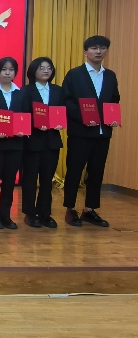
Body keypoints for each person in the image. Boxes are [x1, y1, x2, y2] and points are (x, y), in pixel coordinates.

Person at [62, 35, 120, 228]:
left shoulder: (110, 76)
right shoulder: (74, 74)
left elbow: (114, 100)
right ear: (85, 52)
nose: (98, 51)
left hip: (103, 133)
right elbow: (67, 101)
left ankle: (89, 209)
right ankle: (70, 209)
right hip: (80, 132)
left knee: (97, 171)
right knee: (74, 171)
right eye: (94, 48)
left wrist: (113, 116)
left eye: (102, 48)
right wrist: (84, 117)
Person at [0, 56, 27, 230]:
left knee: (9, 182)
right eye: (4, 69)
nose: (7, 73)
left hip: (15, 145)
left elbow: (25, 116)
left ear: (15, 73)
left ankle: (6, 215)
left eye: (11, 70)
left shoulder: (21, 93)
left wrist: (23, 129)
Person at [21, 57, 64, 229]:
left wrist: (61, 123)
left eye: (49, 68)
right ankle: (30, 213)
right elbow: (22, 115)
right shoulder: (26, 91)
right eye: (41, 68)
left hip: (52, 141)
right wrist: (35, 124)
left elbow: (62, 112)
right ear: (33, 71)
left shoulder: (58, 91)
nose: (46, 71)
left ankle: (45, 213)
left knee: (47, 180)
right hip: (33, 141)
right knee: (30, 179)